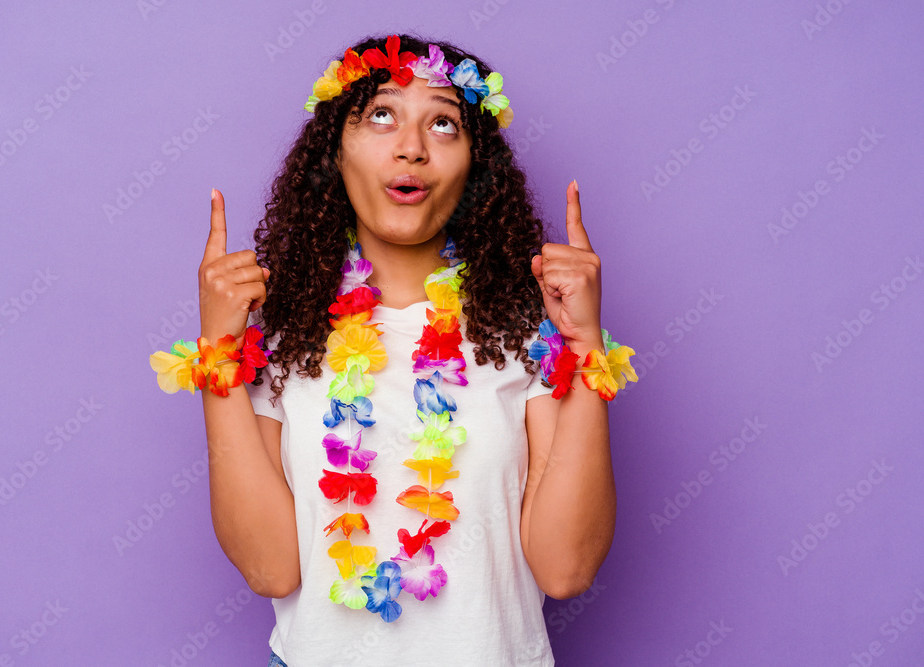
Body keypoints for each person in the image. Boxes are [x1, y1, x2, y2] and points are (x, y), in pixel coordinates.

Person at [195, 32, 619, 667]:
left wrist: (587, 349)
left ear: (476, 164)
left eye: (444, 123)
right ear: (334, 152)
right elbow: (271, 570)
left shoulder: (526, 330)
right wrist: (219, 355)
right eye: (382, 115)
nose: (412, 148)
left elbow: (566, 570)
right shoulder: (282, 334)